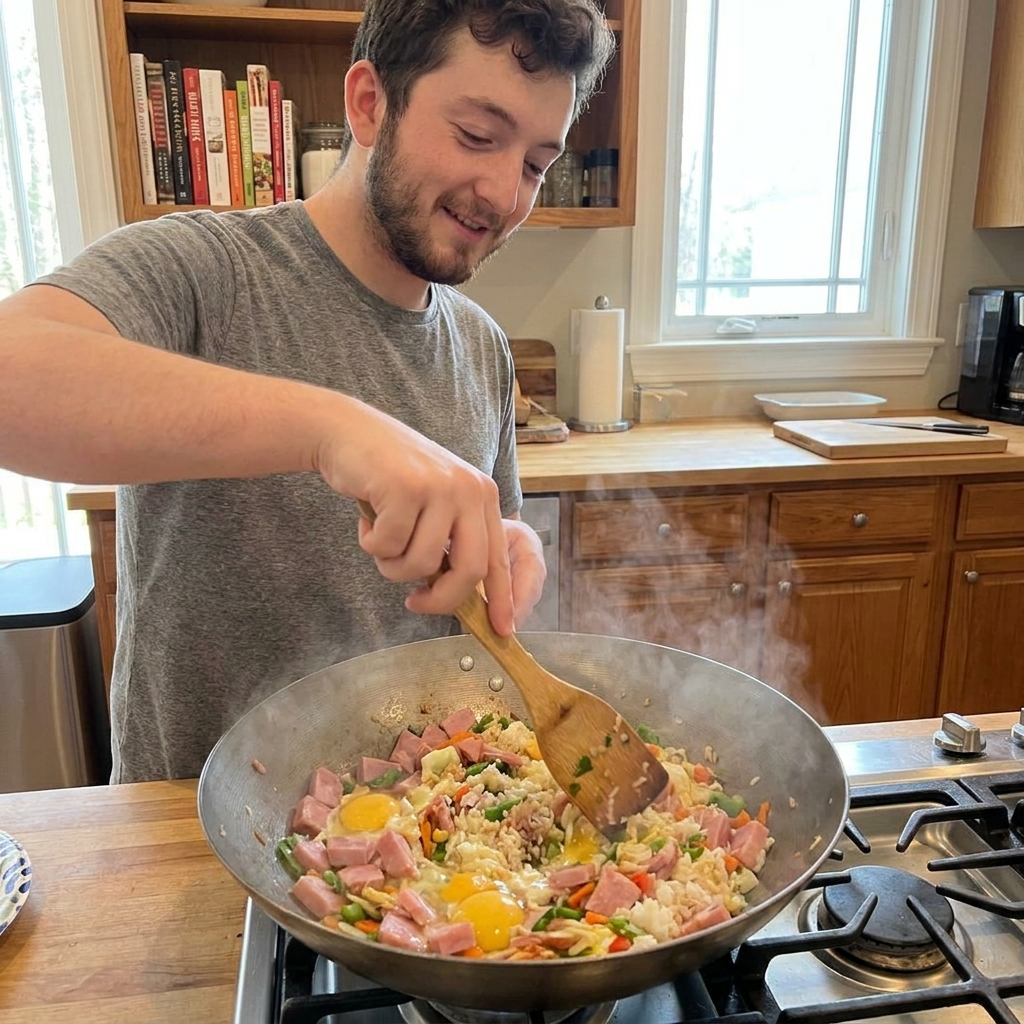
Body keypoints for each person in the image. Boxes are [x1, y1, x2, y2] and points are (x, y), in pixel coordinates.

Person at [0, 0, 615, 784]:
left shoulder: (483, 348)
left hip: (416, 855)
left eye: (535, 163)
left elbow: (467, 550)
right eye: (476, 136)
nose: (502, 192)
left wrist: (504, 551)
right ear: (369, 104)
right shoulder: (207, 271)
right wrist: (332, 427)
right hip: (193, 838)